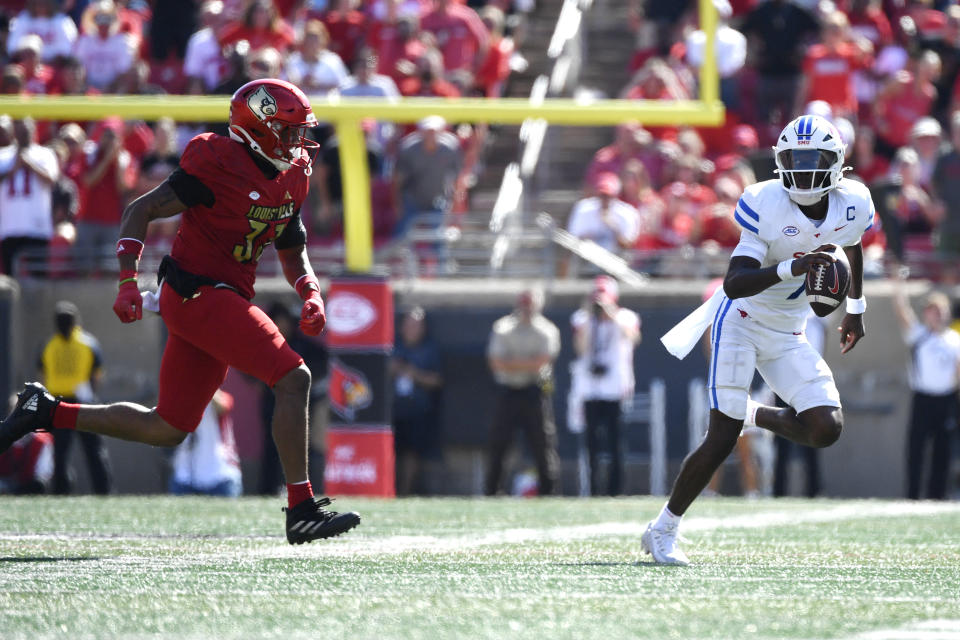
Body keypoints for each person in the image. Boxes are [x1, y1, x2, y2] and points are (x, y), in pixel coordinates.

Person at [0, 78, 360, 544]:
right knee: (294, 378)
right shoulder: (217, 163)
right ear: (258, 129)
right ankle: (302, 507)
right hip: (197, 293)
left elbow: (292, 246)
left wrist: (308, 287)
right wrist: (128, 281)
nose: (298, 142)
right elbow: (139, 210)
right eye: (288, 132)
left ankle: (45, 410)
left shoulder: (294, 171)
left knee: (166, 427)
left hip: (220, 297)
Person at [652, 114, 873, 565]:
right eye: (796, 159)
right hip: (741, 322)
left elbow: (851, 244)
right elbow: (734, 283)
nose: (804, 169)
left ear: (836, 164)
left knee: (825, 427)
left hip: (789, 331)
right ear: (779, 162)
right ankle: (663, 530)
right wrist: (796, 266)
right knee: (721, 437)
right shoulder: (766, 201)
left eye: (815, 160)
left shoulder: (854, 203)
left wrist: (855, 308)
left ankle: (755, 414)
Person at [485, 288, 561, 496]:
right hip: (508, 392)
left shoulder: (546, 330)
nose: (527, 309)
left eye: (530, 304)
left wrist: (511, 363)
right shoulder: (503, 328)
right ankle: (493, 491)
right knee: (499, 443)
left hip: (535, 392)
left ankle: (549, 492)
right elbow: (496, 363)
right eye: (524, 303)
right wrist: (528, 363)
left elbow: (542, 363)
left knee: (543, 444)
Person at [891, 271, 960, 500]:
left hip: (947, 400)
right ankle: (912, 496)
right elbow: (902, 311)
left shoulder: (954, 339)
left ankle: (937, 497)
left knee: (943, 452)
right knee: (916, 449)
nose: (938, 315)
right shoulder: (918, 335)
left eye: (942, 311)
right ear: (926, 313)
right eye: (934, 310)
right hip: (922, 399)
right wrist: (899, 284)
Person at [570, 276, 641, 496]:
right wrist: (589, 320)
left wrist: (612, 315)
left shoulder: (625, 316)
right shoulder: (583, 319)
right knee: (591, 443)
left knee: (616, 442)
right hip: (591, 389)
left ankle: (615, 490)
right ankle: (592, 489)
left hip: (615, 389)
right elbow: (580, 349)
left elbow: (633, 338)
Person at [38, 301, 112, 495]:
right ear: (76, 322)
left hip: (57, 403)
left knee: (60, 453)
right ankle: (103, 492)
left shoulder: (49, 345)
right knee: (94, 451)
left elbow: (42, 374)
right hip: (84, 403)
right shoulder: (87, 343)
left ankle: (61, 492)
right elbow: (97, 374)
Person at [391, 306, 443, 495]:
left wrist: (415, 375)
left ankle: (405, 490)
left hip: (417, 410)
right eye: (409, 325)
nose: (412, 329)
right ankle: (388, 489)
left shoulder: (429, 350)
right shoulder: (392, 347)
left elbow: (438, 380)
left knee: (412, 452)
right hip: (392, 410)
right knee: (390, 451)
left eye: (417, 325)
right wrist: (391, 369)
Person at [0, 117, 59, 276]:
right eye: (19, 131)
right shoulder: (3, 155)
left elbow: (52, 180)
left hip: (37, 226)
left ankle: (38, 302)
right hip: (9, 226)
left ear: (33, 130)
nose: (23, 134)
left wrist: (29, 164)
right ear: (14, 132)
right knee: (10, 277)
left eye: (26, 131)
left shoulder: (44, 154)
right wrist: (12, 169)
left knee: (38, 276)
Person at [169, 390, 242, 497]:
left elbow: (223, 406)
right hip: (184, 476)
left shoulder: (220, 397)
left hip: (220, 476)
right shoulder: (178, 399)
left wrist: (203, 384)